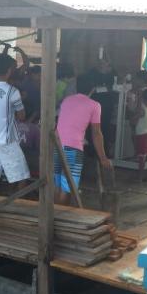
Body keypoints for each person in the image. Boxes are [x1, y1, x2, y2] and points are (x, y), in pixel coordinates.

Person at [55, 75, 112, 205]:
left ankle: (53, 216)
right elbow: (96, 133)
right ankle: (59, 219)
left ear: (76, 87)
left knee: (57, 185)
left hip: (57, 145)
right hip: (73, 149)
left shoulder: (67, 100)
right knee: (67, 188)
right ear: (93, 89)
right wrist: (103, 157)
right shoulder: (95, 105)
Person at [0, 53, 30, 195]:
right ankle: (19, 204)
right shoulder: (12, 91)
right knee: (22, 174)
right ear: (10, 70)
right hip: (6, 139)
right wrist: (21, 100)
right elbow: (22, 116)